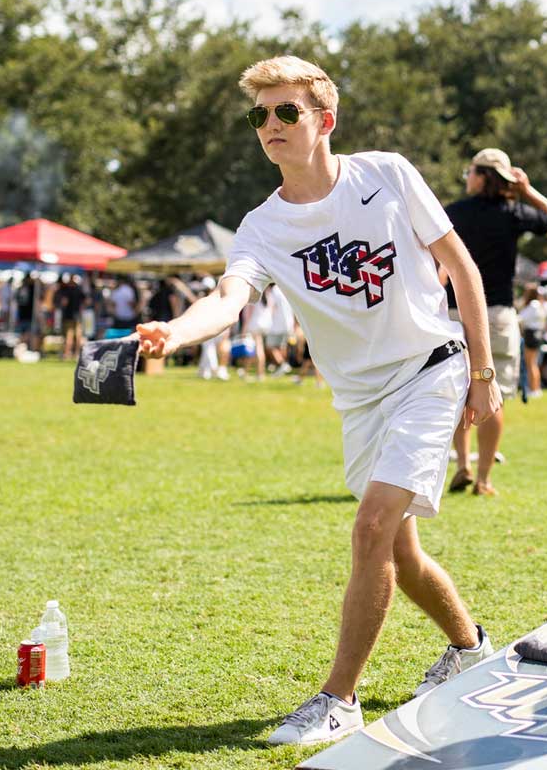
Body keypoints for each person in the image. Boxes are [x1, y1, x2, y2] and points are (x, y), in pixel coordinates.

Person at [135, 55, 502, 747]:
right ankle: (469, 643)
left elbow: (462, 267)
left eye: (285, 111)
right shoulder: (262, 225)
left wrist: (483, 372)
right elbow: (229, 299)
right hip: (361, 401)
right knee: (399, 549)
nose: (269, 125)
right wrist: (173, 334)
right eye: (259, 115)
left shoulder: (387, 175)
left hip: (430, 371)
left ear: (323, 119)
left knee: (368, 529)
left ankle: (338, 699)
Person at [443, 147, 547, 496]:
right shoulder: (514, 213)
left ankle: (462, 464)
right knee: (493, 394)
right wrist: (527, 191)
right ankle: (483, 479)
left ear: (482, 175)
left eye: (470, 171)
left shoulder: (454, 213)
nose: (467, 177)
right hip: (496, 316)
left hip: (455, 314)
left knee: (457, 393)